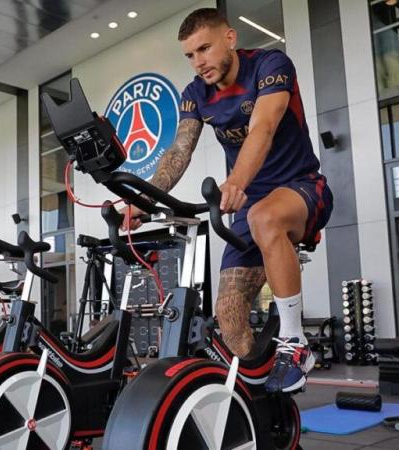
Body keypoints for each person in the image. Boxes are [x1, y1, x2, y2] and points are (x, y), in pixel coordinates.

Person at [120, 8, 333, 393]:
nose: (198, 62)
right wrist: (142, 202)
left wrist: (236, 182)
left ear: (230, 39)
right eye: (189, 55)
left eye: (204, 48)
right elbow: (178, 152)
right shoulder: (195, 95)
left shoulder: (270, 65)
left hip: (300, 188)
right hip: (248, 211)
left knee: (265, 216)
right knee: (229, 315)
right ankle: (256, 399)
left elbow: (264, 127)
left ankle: (295, 344)